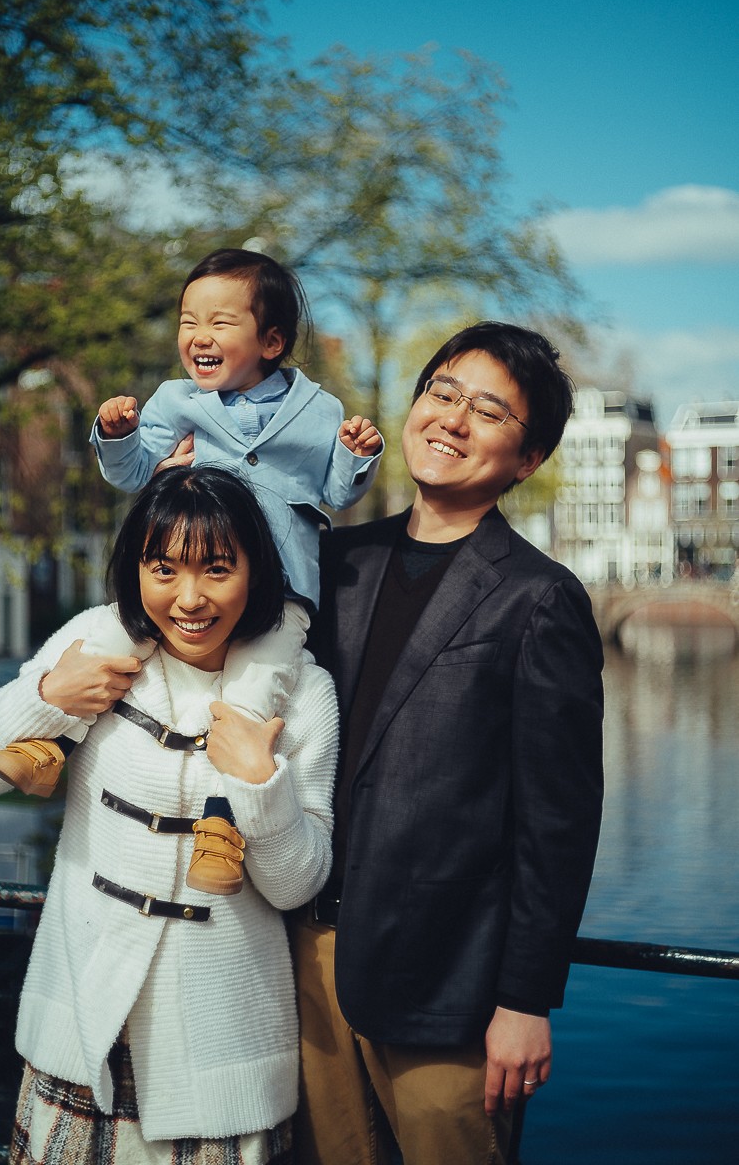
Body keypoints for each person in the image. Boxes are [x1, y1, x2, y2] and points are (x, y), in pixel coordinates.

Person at [0, 465, 338, 1164]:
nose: (189, 599)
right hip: (81, 1031)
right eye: (164, 569)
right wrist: (46, 694)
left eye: (217, 569)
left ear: (256, 571)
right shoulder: (101, 645)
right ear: (136, 569)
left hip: (220, 1059)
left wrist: (260, 783)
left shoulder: (303, 693)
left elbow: (296, 884)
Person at [293, 322, 605, 1165]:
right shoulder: (331, 561)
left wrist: (525, 1001)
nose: (454, 420)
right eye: (442, 393)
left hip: (447, 986)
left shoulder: (541, 599)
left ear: (528, 458)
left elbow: (559, 824)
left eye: (490, 412)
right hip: (309, 957)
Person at [0, 248, 380, 896]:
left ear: (272, 340)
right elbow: (136, 472)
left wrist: (355, 455)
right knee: (122, 637)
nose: (199, 335)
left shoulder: (318, 411)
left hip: (282, 579)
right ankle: (46, 746)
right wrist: (118, 435)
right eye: (188, 320)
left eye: (222, 322)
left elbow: (336, 490)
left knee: (257, 687)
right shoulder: (175, 401)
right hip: (189, 562)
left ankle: (221, 825)